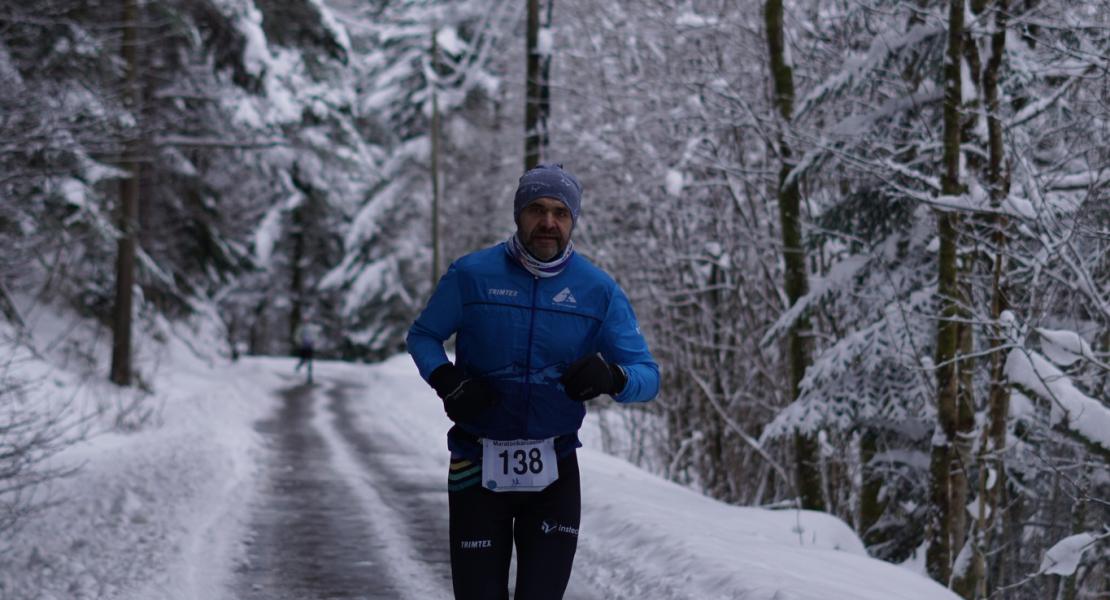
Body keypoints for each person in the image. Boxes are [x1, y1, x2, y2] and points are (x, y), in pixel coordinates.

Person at [406, 163, 660, 599]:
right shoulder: (472, 275)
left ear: (572, 221)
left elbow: (648, 376)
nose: (548, 222)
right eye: (537, 210)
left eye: (561, 213)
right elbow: (423, 335)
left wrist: (613, 376)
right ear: (518, 214)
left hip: (555, 466)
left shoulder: (598, 290)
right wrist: (447, 379)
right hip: (475, 461)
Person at [293, 318, 316, 384]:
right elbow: (297, 336)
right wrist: (300, 343)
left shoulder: (312, 328)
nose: (306, 321)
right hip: (303, 346)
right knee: (303, 359)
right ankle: (299, 366)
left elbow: (315, 336)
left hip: (309, 346)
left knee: (309, 360)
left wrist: (313, 342)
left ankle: (309, 376)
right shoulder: (301, 328)